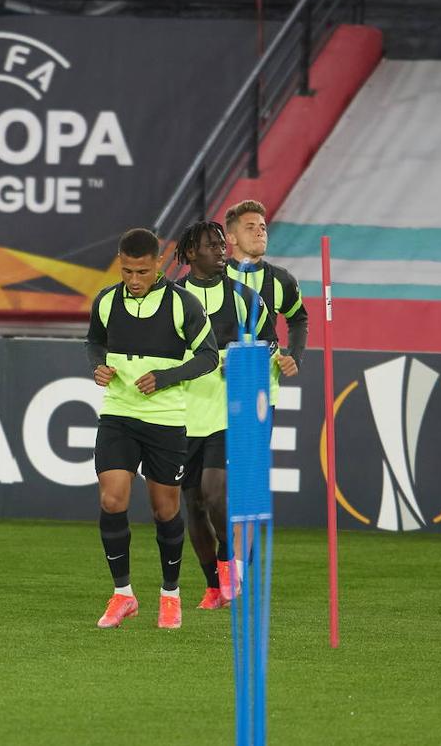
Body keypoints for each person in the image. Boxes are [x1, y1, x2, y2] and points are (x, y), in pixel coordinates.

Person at [85, 228, 218, 629]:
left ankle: (170, 595)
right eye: (127, 271)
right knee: (112, 500)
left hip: (165, 419)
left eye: (142, 272)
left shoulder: (183, 304)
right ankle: (123, 594)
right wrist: (98, 365)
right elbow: (93, 341)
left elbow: (208, 357)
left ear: (159, 263)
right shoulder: (106, 300)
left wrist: (167, 376)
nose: (134, 280)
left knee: (166, 510)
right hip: (119, 413)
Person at [175, 221, 276, 609]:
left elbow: (269, 341)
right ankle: (212, 584)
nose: (221, 250)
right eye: (210, 245)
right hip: (181, 414)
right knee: (193, 505)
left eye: (221, 244)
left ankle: (228, 561)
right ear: (189, 254)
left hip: (225, 413)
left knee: (215, 495)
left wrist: (239, 359)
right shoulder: (172, 297)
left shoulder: (243, 297)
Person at [224, 200, 307, 408]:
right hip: (215, 391)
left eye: (262, 227)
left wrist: (294, 356)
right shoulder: (213, 277)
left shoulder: (282, 280)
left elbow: (298, 319)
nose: (259, 233)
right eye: (249, 228)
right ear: (231, 237)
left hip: (262, 391)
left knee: (253, 442)